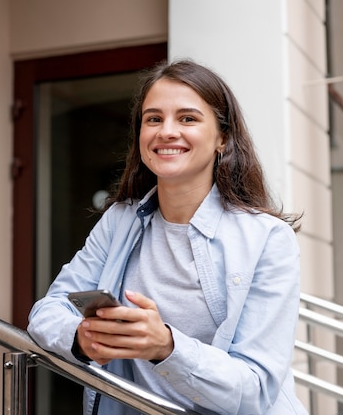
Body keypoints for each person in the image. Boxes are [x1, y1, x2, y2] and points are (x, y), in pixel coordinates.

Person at [27, 59, 307, 415]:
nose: (167, 132)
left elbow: (254, 389)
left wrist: (166, 347)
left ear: (223, 137)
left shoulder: (269, 239)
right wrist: (81, 339)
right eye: (154, 119)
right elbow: (46, 314)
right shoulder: (120, 220)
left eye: (187, 118)